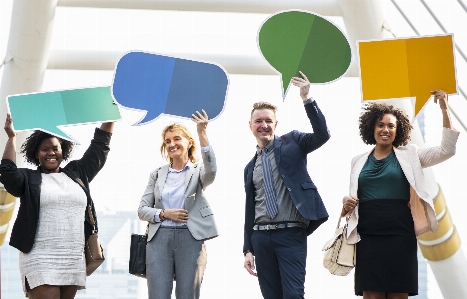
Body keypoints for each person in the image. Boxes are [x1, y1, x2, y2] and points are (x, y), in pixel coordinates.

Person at [342, 90, 459, 298]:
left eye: (391, 126)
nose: (385, 129)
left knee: (398, 294)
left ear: (399, 130)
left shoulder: (411, 155)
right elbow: (354, 196)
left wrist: (444, 108)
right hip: (367, 234)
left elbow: (446, 150)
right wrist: (346, 202)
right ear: (372, 127)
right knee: (372, 295)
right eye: (380, 125)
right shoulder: (357, 161)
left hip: (400, 233)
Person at [0, 113, 114, 299]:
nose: (51, 153)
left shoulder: (78, 172)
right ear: (36, 154)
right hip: (39, 256)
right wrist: (12, 137)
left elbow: (99, 147)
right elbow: (7, 172)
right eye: (45, 149)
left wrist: (110, 116)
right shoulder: (29, 179)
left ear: (64, 150)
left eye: (55, 148)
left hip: (72, 256)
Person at [242, 71, 331, 299]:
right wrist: (247, 248)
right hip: (261, 239)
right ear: (250, 125)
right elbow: (250, 209)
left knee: (293, 295)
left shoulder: (293, 142)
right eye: (259, 121)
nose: (264, 125)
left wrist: (307, 98)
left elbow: (322, 135)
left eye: (268, 121)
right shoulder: (249, 167)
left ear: (276, 124)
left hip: (290, 234)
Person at [137, 110, 217, 299]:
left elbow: (211, 170)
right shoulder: (157, 174)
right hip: (159, 240)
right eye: (167, 141)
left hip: (190, 237)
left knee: (188, 295)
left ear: (189, 142)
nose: (172, 144)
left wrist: (202, 133)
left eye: (176, 139)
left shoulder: (198, 171)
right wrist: (164, 214)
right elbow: (142, 210)